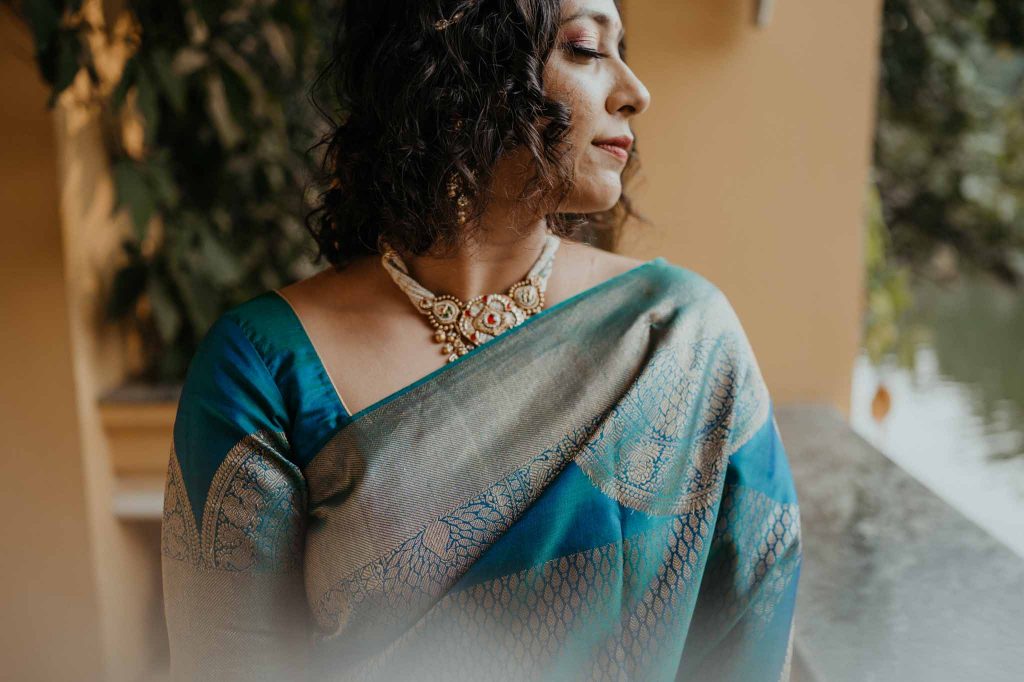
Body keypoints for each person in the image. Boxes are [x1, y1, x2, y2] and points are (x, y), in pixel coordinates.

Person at [160, 0, 802, 680]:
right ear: (458, 76)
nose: (634, 91)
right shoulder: (262, 366)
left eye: (623, 49)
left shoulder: (678, 335)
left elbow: (752, 622)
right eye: (585, 49)